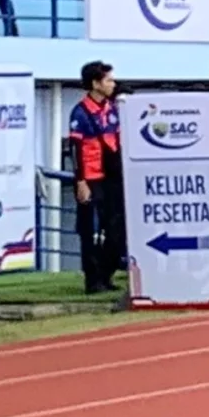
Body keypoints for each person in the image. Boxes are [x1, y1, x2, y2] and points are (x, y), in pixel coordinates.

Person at [68, 61, 126, 294]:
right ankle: (93, 280)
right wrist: (80, 181)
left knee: (116, 228)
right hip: (90, 178)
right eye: (109, 80)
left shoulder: (111, 109)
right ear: (95, 83)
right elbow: (74, 148)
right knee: (90, 232)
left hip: (112, 177)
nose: (113, 84)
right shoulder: (80, 112)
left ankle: (107, 273)